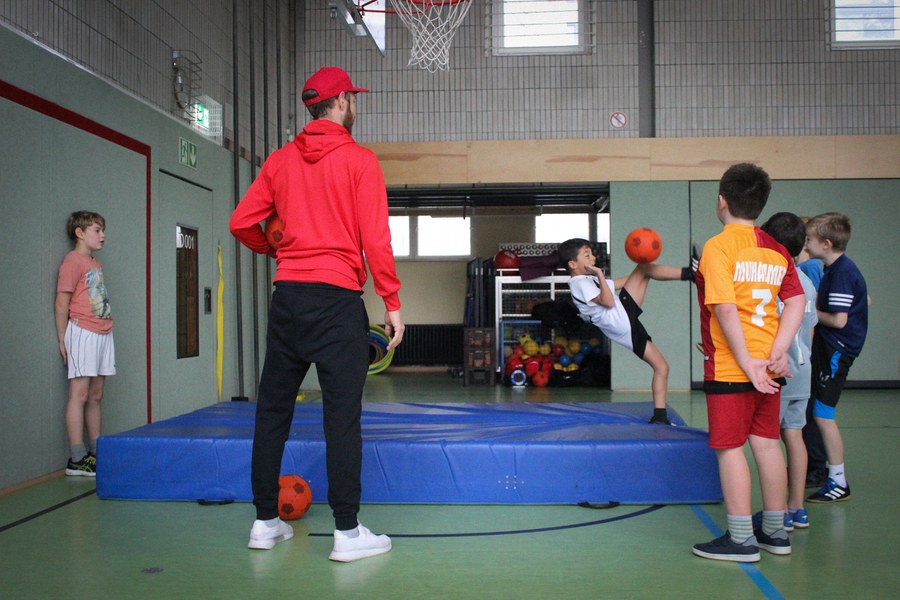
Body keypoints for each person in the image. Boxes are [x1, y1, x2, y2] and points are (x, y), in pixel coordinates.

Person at [229, 66, 404, 561]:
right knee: (341, 417)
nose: (354, 105)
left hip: (288, 297)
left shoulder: (280, 160)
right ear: (342, 101)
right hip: (336, 301)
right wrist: (391, 302)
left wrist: (278, 250)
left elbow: (241, 222)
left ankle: (264, 522)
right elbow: (376, 239)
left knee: (272, 411)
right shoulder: (360, 160)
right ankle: (346, 533)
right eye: (353, 98)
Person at [691, 163, 804, 563]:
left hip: (730, 366)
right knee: (768, 445)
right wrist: (779, 350)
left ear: (721, 201)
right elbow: (796, 301)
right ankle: (775, 530)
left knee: (729, 449)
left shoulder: (718, 247)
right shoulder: (775, 249)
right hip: (769, 368)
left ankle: (741, 538)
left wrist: (746, 362)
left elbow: (724, 309)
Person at [559, 238, 695, 425]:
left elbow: (618, 283)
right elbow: (608, 301)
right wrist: (600, 274)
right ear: (573, 264)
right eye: (587, 255)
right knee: (644, 269)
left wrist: (640, 272)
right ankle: (690, 273)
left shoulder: (586, 280)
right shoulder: (579, 283)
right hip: (621, 318)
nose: (593, 258)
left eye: (592, 254)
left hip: (624, 324)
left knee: (661, 367)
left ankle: (659, 417)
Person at [759, 212, 818, 530]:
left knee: (770, 442)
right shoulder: (807, 283)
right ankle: (798, 508)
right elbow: (809, 332)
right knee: (794, 436)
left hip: (781, 372)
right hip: (804, 371)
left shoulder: (773, 282)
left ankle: (778, 510)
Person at [803, 212, 867, 504]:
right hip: (829, 346)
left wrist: (808, 312)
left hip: (837, 348)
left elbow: (840, 320)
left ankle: (838, 481)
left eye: (809, 239)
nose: (805, 244)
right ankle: (833, 475)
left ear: (826, 243)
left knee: (823, 413)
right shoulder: (833, 269)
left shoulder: (841, 271)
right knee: (818, 410)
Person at [55, 211, 115, 477]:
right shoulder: (72, 261)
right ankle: (77, 458)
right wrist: (62, 339)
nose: (102, 236)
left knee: (96, 395)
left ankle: (96, 452)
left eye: (103, 231)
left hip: (103, 332)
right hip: (82, 332)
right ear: (79, 233)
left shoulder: (95, 263)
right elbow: (61, 303)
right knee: (79, 394)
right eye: (97, 230)